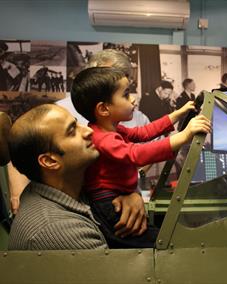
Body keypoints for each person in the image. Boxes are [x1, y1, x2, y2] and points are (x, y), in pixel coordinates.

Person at [7, 49, 150, 241]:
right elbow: (24, 145)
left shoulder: (136, 117)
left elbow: (144, 154)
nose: (89, 132)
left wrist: (131, 191)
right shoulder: (59, 111)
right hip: (77, 208)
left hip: (118, 207)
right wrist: (20, 198)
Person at [70, 67, 211, 248]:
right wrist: (183, 137)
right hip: (109, 204)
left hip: (118, 197)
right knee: (157, 243)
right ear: (104, 109)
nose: (133, 99)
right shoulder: (103, 138)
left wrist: (178, 113)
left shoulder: (112, 128)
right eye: (126, 95)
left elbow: (144, 132)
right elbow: (136, 154)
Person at [7, 104, 108, 250]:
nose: (89, 131)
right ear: (50, 161)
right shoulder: (58, 229)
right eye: (72, 131)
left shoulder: (69, 188)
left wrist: (130, 195)